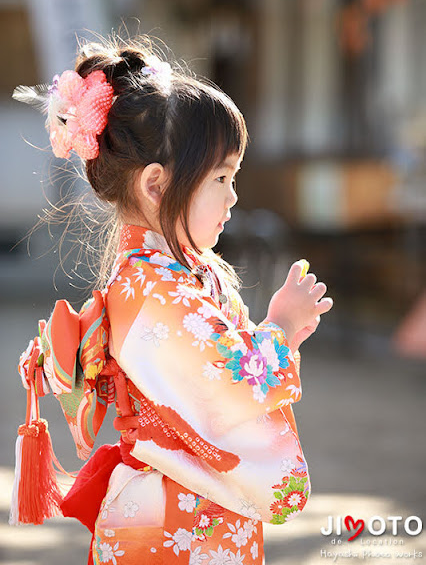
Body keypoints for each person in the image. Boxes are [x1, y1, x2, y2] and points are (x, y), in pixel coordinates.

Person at [10, 34, 333, 565]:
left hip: (180, 509)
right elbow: (224, 380)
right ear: (156, 185)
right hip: (174, 520)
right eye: (221, 177)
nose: (233, 196)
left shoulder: (161, 277)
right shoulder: (154, 288)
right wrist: (279, 327)